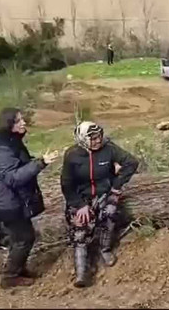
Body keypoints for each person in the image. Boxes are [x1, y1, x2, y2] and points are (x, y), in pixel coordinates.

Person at [0, 108, 59, 289]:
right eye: (19, 121)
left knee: (21, 237)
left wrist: (37, 161)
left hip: (9, 200)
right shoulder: (2, 148)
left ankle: (18, 269)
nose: (24, 123)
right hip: (8, 202)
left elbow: (18, 164)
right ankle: (10, 276)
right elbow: (12, 177)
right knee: (24, 238)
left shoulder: (8, 141)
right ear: (9, 124)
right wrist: (41, 163)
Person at [61, 121, 139, 288]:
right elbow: (66, 185)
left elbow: (131, 162)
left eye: (99, 137)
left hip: (104, 193)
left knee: (110, 213)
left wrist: (117, 186)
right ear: (83, 139)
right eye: (93, 138)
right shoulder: (72, 155)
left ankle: (105, 249)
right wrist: (79, 205)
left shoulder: (109, 148)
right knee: (80, 227)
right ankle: (81, 272)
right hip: (80, 198)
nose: (98, 141)